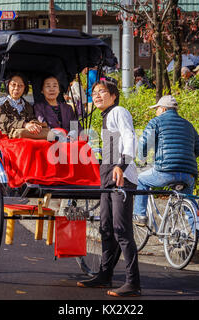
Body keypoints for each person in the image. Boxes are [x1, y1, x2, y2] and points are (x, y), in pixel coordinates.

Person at [77, 80, 141, 297]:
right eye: (94, 93)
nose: (97, 96)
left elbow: (130, 137)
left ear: (114, 96)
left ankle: (133, 283)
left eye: (102, 91)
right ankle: (104, 276)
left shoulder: (119, 111)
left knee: (122, 230)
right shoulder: (106, 116)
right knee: (106, 228)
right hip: (107, 178)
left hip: (121, 177)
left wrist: (121, 166)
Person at [133, 95, 199, 244]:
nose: (156, 112)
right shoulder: (188, 125)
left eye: (157, 109)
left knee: (141, 180)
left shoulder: (156, 122)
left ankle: (139, 215)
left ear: (163, 109)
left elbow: (144, 143)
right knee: (188, 201)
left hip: (165, 171)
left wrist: (141, 160)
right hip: (188, 173)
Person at [0, 72, 49, 140]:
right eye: (13, 85)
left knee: (49, 131)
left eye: (20, 86)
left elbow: (32, 118)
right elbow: (3, 123)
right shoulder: (0, 103)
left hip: (27, 133)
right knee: (21, 133)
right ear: (8, 85)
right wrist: (24, 125)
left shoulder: (27, 105)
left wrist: (34, 124)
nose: (16, 88)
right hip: (10, 135)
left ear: (24, 88)